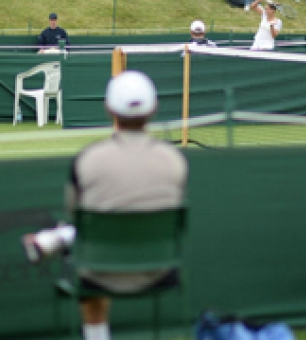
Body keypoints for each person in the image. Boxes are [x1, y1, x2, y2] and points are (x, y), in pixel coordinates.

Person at [21, 71, 186, 340]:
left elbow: (76, 217)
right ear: (153, 109)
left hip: (100, 271)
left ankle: (52, 241)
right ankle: (52, 240)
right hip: (159, 269)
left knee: (83, 243)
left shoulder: (88, 160)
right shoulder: (176, 160)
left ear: (109, 109)